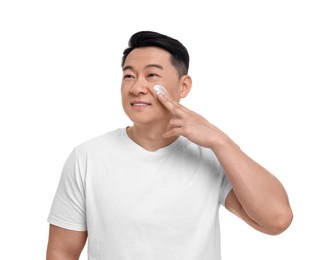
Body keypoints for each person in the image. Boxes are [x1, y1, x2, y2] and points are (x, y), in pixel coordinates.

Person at [46, 31, 293, 260]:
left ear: (183, 86)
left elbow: (277, 219)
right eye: (129, 76)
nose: (136, 88)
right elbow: (61, 252)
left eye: (151, 75)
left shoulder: (210, 155)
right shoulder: (88, 157)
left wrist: (220, 140)